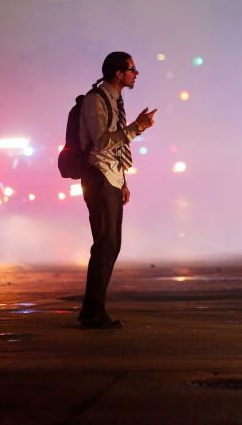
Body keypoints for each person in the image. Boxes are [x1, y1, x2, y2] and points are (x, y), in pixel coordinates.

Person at [77, 51, 157, 329]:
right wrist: (137, 127)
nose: (136, 73)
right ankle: (92, 313)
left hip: (111, 178)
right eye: (133, 69)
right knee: (105, 244)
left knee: (111, 245)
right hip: (98, 177)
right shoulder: (95, 100)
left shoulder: (115, 100)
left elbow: (117, 147)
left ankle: (93, 311)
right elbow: (101, 143)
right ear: (118, 73)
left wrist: (123, 181)